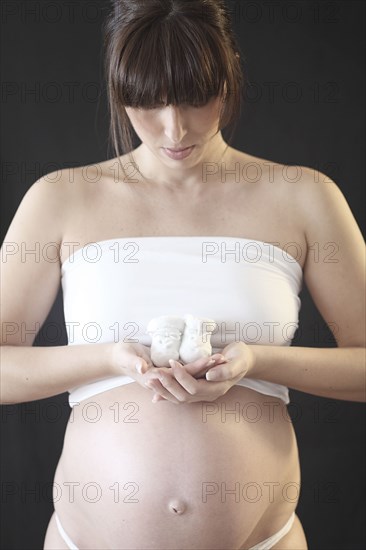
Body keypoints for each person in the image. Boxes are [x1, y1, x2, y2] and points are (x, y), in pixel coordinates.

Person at [1, 0, 365, 549]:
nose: (175, 129)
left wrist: (255, 361)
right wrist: (108, 358)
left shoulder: (305, 197)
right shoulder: (59, 199)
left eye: (198, 98)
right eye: (148, 103)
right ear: (119, 88)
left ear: (229, 75)